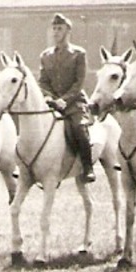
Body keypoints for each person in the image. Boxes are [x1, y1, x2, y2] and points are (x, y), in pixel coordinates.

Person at [38, 13, 96, 182]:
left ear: (68, 31)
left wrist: (65, 99)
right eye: (54, 29)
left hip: (73, 103)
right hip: (52, 102)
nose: (56, 32)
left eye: (60, 29)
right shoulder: (45, 55)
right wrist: (49, 97)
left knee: (79, 127)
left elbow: (79, 82)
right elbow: (43, 82)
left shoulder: (78, 54)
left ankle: (87, 167)